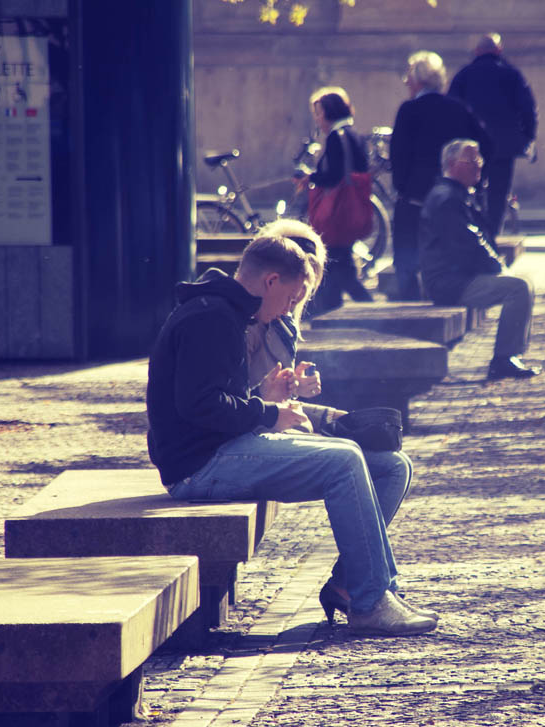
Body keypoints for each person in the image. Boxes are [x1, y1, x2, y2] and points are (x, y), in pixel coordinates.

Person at [146, 235, 437, 636]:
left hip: (221, 449)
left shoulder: (226, 312)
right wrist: (268, 413)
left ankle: (353, 585)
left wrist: (264, 396)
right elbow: (199, 407)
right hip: (199, 466)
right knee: (345, 460)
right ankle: (370, 602)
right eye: (291, 297)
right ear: (270, 281)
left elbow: (212, 400)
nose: (289, 308)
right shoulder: (211, 318)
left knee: (389, 466)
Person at [419, 139, 540, 380]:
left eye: (479, 160)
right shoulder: (447, 199)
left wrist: (496, 266)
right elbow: (468, 245)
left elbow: (476, 240)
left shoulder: (454, 193)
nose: (479, 166)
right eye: (472, 161)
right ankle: (504, 359)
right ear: (452, 165)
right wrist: (498, 268)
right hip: (449, 283)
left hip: (455, 278)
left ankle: (509, 356)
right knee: (518, 288)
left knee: (520, 284)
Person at [390, 51, 490, 301]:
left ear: (418, 80)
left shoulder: (409, 110)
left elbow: (398, 154)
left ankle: (408, 310)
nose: (405, 82)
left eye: (408, 76)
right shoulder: (457, 108)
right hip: (451, 197)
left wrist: (402, 186)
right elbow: (487, 144)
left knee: (407, 263)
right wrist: (473, 179)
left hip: (414, 199)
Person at [448, 33, 537, 240]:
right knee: (498, 194)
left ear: (476, 52)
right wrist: (526, 138)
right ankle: (493, 236)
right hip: (503, 148)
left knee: (471, 190)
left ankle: (475, 235)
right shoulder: (512, 74)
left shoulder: (464, 75)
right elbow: (528, 109)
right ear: (499, 51)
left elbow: (451, 109)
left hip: (471, 147)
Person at [300, 87, 374, 315]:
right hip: (351, 211)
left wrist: (310, 177)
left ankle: (360, 310)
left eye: (319, 114)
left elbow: (334, 176)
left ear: (330, 113)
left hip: (337, 214)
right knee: (338, 267)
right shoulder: (354, 135)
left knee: (335, 267)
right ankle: (333, 312)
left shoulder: (335, 138)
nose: (318, 120)